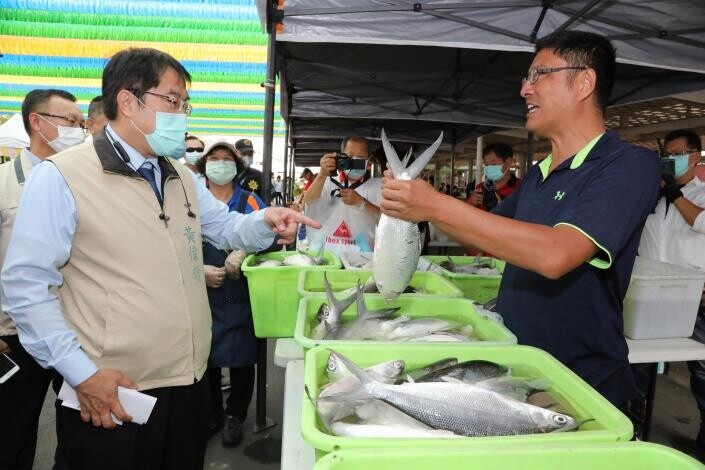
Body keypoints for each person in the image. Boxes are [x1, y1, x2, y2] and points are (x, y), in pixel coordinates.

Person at [0, 47, 318, 470]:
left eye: (185, 103)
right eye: (172, 100)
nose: (181, 113)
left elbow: (224, 226)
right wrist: (82, 374)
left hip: (188, 382)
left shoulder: (180, 174)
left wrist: (266, 221)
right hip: (115, 391)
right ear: (128, 102)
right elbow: (26, 286)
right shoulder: (63, 177)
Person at [379, 30, 660, 409]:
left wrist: (434, 205)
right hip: (517, 366)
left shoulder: (629, 165)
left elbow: (557, 254)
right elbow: (483, 238)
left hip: (579, 382)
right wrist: (407, 205)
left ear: (584, 82)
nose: (524, 89)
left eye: (538, 75)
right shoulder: (539, 175)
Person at [0, 88, 84, 470]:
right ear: (37, 121)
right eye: (70, 121)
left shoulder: (85, 180)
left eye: (82, 123)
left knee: (80, 428)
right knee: (13, 432)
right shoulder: (4, 182)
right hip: (16, 335)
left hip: (77, 331)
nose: (78, 130)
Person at [194, 140, 269, 448]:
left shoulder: (251, 200)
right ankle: (211, 414)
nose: (221, 164)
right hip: (201, 294)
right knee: (205, 356)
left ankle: (234, 415)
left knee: (241, 356)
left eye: (227, 159)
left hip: (239, 294)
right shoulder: (191, 201)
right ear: (204, 165)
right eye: (215, 158)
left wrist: (244, 254)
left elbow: (270, 239)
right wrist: (199, 271)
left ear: (237, 167)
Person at [638, 129, 705, 451]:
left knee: (702, 372)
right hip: (648, 297)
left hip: (694, 300)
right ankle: (636, 427)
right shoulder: (654, 196)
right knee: (641, 367)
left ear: (695, 156)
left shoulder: (700, 194)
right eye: (668, 153)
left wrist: (677, 195)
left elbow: (700, 222)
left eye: (679, 153)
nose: (672, 159)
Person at [301, 135, 382, 254]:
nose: (354, 160)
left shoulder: (378, 186)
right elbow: (307, 205)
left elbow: (387, 219)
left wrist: (362, 203)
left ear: (368, 160)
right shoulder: (328, 181)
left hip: (362, 257)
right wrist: (322, 174)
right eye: (349, 156)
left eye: (360, 157)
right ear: (341, 157)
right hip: (328, 255)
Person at [468, 142, 522, 211]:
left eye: (493, 164)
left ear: (508, 162)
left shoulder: (521, 188)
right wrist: (472, 203)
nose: (489, 168)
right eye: (486, 165)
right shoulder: (480, 188)